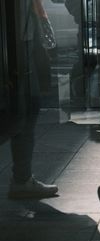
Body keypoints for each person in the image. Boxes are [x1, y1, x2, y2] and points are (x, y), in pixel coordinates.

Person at [2, 0, 58, 199]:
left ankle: (22, 179)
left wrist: (41, 19)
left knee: (28, 109)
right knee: (15, 113)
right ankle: (22, 180)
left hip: (23, 38)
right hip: (10, 41)